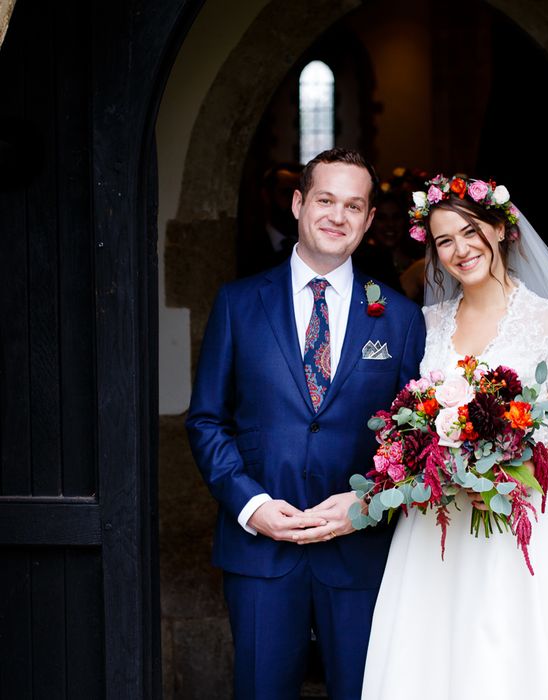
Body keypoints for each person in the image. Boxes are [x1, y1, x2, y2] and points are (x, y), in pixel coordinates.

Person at [361, 174, 548, 699]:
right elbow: (411, 414)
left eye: (470, 232)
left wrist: (504, 475)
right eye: (444, 240)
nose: (459, 250)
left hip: (529, 511)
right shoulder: (424, 324)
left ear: (498, 229)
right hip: (440, 519)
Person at [186, 148, 426, 699]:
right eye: (325, 199)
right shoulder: (238, 303)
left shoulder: (400, 316)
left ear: (367, 222)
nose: (336, 216)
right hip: (261, 550)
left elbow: (417, 437)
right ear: (298, 203)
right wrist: (252, 506)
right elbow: (206, 420)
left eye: (353, 205)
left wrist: (371, 503)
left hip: (362, 553)